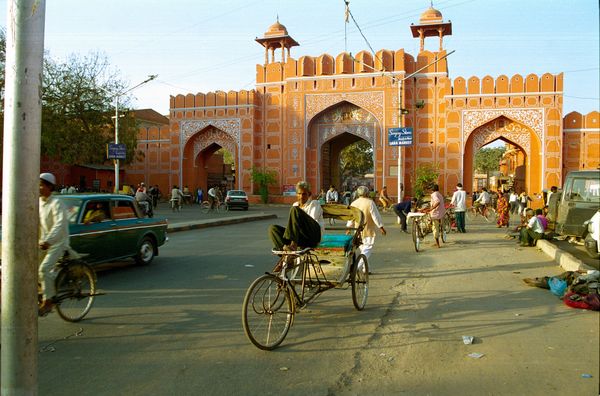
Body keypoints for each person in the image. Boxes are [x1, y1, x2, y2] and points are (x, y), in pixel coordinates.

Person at [38, 173, 72, 315]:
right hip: (44, 242)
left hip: (58, 242)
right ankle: (44, 290)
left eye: (41, 185)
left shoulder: (57, 203)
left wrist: (48, 241)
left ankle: (48, 301)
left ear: (50, 187)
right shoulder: (39, 203)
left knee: (44, 269)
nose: (39, 188)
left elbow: (59, 225)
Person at [268, 181, 324, 251]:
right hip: (300, 239)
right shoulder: (295, 205)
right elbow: (292, 225)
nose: (301, 197)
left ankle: (293, 245)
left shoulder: (314, 204)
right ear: (296, 194)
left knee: (295, 210)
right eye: (299, 194)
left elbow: (312, 219)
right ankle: (286, 251)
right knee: (273, 229)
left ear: (309, 194)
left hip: (313, 237)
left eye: (304, 194)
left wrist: (299, 216)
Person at [347, 185, 386, 261]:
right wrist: (381, 227)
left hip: (357, 230)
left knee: (363, 250)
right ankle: (358, 266)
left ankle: (366, 268)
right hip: (368, 230)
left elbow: (351, 217)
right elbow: (376, 217)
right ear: (367, 193)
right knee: (367, 249)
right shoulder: (370, 203)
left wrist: (348, 228)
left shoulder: (354, 203)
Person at [428, 184, 446, 248]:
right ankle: (438, 241)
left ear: (432, 189)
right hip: (442, 213)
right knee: (438, 227)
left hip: (436, 214)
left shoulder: (434, 194)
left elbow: (437, 202)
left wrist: (432, 209)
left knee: (435, 228)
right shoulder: (439, 194)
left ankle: (437, 244)